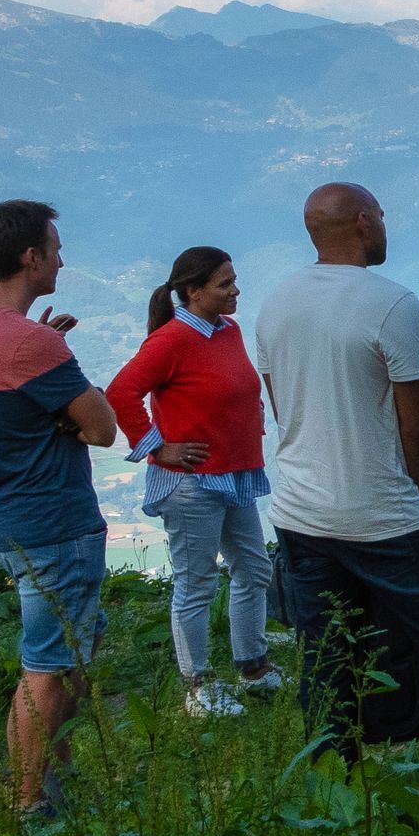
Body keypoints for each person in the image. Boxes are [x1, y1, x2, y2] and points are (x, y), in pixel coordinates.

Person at [251, 182, 419, 754]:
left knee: (325, 657)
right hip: (383, 514)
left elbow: (284, 408)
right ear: (361, 222)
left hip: (301, 514)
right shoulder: (392, 304)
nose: (384, 223)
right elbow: (417, 423)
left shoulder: (276, 301)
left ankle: (336, 791)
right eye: (380, 214)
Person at [0, 200, 116, 820]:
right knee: (47, 664)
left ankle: (53, 784)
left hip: (6, 519)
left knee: (65, 653)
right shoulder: (31, 344)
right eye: (55, 248)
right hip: (56, 521)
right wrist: (60, 374)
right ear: (30, 257)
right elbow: (101, 429)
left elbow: (4, 415)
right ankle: (30, 801)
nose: (62, 258)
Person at [105, 247, 280, 719]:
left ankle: (253, 666)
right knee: (196, 581)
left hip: (234, 474)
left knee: (254, 567)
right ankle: (199, 687)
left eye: (234, 280)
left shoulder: (228, 330)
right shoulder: (171, 339)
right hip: (192, 483)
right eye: (225, 284)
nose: (235, 290)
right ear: (193, 291)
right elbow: (121, 392)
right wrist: (156, 447)